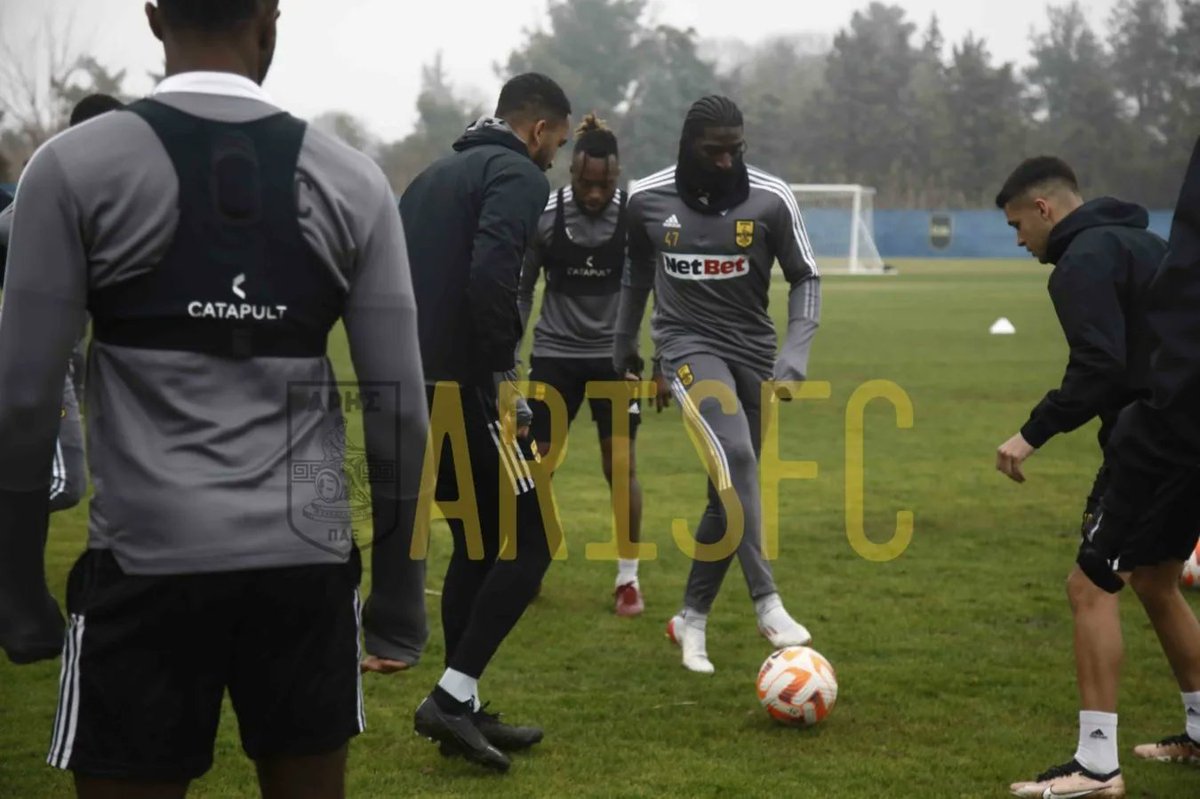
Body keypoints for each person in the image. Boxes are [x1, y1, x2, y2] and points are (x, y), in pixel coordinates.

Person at [0, 2, 429, 798]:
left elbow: (23, 401)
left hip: (145, 562)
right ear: (271, 18)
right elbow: (399, 410)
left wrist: (18, 582)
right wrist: (400, 593)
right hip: (306, 567)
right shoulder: (352, 179)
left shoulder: (70, 169)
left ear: (155, 16)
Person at [1013, 138, 1200, 798]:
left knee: (1090, 585)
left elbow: (1100, 365)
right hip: (1192, 428)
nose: (1018, 240)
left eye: (1017, 225)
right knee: (1156, 577)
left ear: (1042, 208)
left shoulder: (1080, 261)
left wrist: (1029, 434)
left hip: (1152, 439)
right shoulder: (1148, 246)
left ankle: (1096, 765)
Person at [400, 72, 571, 772]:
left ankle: (461, 705)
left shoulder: (434, 176)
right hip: (471, 391)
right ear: (536, 131)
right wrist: (506, 382)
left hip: (414, 386)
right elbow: (491, 277)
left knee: (475, 542)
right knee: (533, 544)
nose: (553, 160)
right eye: (555, 145)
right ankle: (449, 694)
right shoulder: (518, 177)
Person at [614, 95, 820, 675]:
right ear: (688, 146)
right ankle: (767, 600)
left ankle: (691, 619)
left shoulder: (772, 198)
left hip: (752, 353)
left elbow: (806, 276)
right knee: (736, 456)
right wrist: (624, 343)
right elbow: (635, 272)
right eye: (715, 151)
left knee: (724, 493)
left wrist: (795, 353)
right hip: (684, 348)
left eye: (737, 149)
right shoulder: (647, 198)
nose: (727, 161)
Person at [518, 113, 645, 617]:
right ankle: (528, 567)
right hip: (554, 358)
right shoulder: (545, 216)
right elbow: (523, 289)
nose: (595, 194)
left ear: (617, 177)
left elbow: (658, 290)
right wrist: (509, 354)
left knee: (622, 468)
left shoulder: (637, 220)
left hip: (615, 363)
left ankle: (628, 580)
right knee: (535, 467)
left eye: (605, 184)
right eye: (586, 183)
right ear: (572, 173)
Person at [0, 94, 125, 516]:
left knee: (42, 475)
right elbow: (9, 228)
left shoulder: (109, 187)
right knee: (64, 483)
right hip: (39, 363)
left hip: (71, 356)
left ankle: (23, 583)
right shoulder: (59, 179)